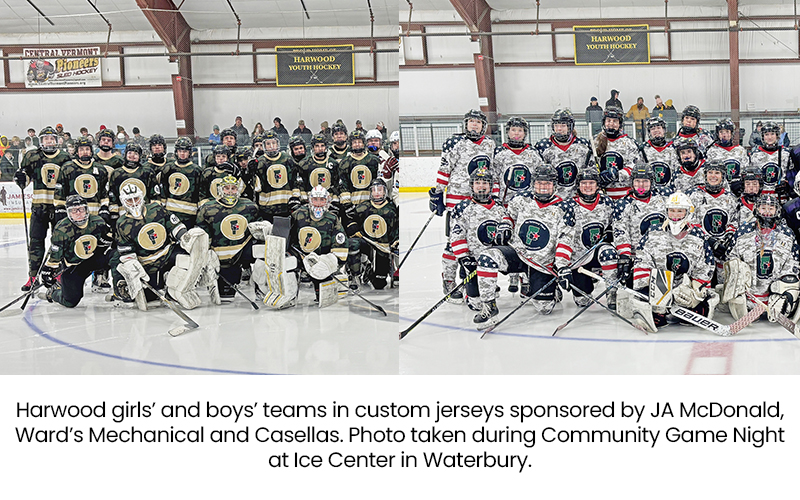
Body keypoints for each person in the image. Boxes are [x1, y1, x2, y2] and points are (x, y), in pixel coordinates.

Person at [473, 164, 577, 325]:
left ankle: (551, 289)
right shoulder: (520, 199)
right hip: (517, 253)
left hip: (541, 263)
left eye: (547, 183)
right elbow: (509, 217)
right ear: (533, 183)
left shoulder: (564, 208)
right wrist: (505, 225)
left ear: (555, 185)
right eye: (539, 183)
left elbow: (565, 240)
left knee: (544, 308)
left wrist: (562, 266)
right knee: (487, 257)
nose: (543, 187)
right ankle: (489, 306)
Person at [110, 184, 214, 310]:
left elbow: (175, 225)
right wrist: (133, 266)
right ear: (123, 201)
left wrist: (185, 238)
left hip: (167, 254)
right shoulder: (122, 224)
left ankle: (175, 291)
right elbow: (126, 252)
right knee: (151, 297)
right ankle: (158, 283)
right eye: (129, 200)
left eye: (136, 199)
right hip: (147, 263)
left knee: (188, 259)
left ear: (142, 197)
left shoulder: (156, 209)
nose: (133, 203)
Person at [430, 109, 496, 301]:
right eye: (471, 122)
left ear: (483, 126)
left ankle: (472, 280)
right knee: (454, 243)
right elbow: (444, 169)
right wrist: (437, 193)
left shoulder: (489, 144)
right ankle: (449, 281)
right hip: (457, 200)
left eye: (478, 122)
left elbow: (491, 171)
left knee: (478, 242)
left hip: (481, 200)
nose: (474, 125)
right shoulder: (454, 142)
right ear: (465, 124)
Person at [250, 185, 349, 308]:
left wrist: (328, 262)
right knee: (286, 263)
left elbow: (341, 247)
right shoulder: (299, 214)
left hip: (319, 260)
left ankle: (335, 280)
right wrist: (270, 230)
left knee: (323, 292)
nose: (318, 204)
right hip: (299, 255)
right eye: (315, 199)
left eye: (322, 200)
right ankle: (288, 295)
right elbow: (284, 232)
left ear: (327, 201)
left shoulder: (332, 219)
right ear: (310, 200)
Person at [722, 194, 800, 322]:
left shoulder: (787, 234)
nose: (767, 212)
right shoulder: (743, 232)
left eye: (771, 208)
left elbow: (793, 265)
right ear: (756, 209)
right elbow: (731, 259)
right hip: (747, 299)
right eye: (763, 208)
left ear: (777, 211)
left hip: (775, 299)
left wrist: (785, 291)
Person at [14, 127, 72, 290]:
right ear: (40, 141)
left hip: (59, 207)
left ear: (56, 140)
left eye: (51, 138)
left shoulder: (65, 157)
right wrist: (21, 177)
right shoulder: (32, 156)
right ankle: (33, 277)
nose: (48, 141)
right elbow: (24, 177)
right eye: (45, 139)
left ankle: (58, 274)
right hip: (39, 207)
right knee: (36, 242)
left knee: (60, 242)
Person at [446, 168, 511, 310]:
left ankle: (492, 284)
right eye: (478, 183)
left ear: (491, 186)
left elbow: (507, 222)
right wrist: (464, 258)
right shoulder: (463, 207)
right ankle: (467, 286)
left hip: (492, 258)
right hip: (472, 259)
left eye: (485, 183)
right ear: (472, 185)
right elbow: (457, 234)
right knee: (476, 305)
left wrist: (506, 227)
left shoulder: (498, 207)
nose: (481, 186)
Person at [196, 172, 261, 300]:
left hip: (240, 254)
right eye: (227, 188)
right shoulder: (208, 208)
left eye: (233, 188)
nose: (230, 192)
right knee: (225, 295)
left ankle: (261, 285)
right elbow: (202, 232)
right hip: (218, 257)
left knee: (263, 254)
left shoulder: (249, 206)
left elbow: (258, 229)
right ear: (220, 189)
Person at [39, 195, 114, 307]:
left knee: (117, 256)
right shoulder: (62, 229)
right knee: (70, 301)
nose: (78, 213)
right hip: (75, 266)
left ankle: (122, 291)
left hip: (94, 259)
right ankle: (53, 293)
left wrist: (107, 240)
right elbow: (55, 255)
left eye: (81, 209)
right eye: (74, 211)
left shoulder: (98, 222)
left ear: (86, 210)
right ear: (68, 212)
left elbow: (109, 239)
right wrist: (48, 270)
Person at [565, 168, 619, 308]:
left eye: (591, 182)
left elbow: (618, 226)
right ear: (578, 185)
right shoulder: (569, 206)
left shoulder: (607, 203)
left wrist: (611, 231)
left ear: (597, 185)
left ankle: (611, 293)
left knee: (609, 253)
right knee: (582, 302)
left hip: (598, 252)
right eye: (584, 183)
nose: (587, 186)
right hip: (578, 258)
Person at [612, 165, 667, 289]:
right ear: (632, 183)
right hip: (637, 257)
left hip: (662, 253)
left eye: (645, 181)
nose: (641, 185)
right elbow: (620, 232)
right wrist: (625, 256)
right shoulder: (623, 204)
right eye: (637, 181)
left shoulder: (664, 197)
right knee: (640, 292)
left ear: (652, 182)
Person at [346, 179, 399, 290]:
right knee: (352, 243)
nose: (377, 193)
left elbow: (395, 230)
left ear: (385, 192)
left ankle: (369, 270)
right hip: (366, 243)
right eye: (374, 190)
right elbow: (349, 219)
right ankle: (355, 275)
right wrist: (353, 226)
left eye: (379, 190)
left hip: (382, 248)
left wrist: (396, 241)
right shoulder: (363, 207)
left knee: (379, 284)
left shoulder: (391, 210)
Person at [535, 108, 594, 201]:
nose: (559, 129)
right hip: (553, 200)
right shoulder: (543, 146)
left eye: (563, 125)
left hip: (578, 200)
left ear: (570, 126)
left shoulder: (583, 146)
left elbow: (591, 171)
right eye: (556, 125)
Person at [593, 106, 643, 200]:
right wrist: (598, 178)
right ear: (604, 122)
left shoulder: (629, 143)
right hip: (602, 196)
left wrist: (618, 174)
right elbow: (590, 167)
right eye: (608, 120)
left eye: (615, 121)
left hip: (625, 195)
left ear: (620, 124)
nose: (611, 124)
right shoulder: (595, 142)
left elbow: (635, 167)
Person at [108, 143, 160, 230]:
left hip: (144, 215)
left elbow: (154, 196)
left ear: (140, 156)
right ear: (125, 155)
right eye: (130, 153)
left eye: (136, 154)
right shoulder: (117, 173)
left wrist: (153, 213)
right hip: (124, 216)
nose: (132, 156)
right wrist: (114, 215)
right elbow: (113, 196)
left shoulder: (147, 172)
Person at [254, 130, 301, 222]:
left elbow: (295, 181)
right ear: (263, 146)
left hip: (286, 206)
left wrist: (295, 197)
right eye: (268, 144)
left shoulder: (287, 159)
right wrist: (251, 172)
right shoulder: (260, 162)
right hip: (267, 208)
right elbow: (257, 188)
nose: (271, 146)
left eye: (274, 143)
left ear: (278, 143)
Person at [161, 137, 203, 227]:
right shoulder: (168, 168)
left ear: (189, 152)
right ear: (176, 152)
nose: (182, 154)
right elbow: (164, 189)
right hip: (171, 212)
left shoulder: (196, 170)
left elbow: (200, 191)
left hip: (190, 214)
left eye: (185, 151)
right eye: (180, 151)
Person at [706, 118, 749, 194]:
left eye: (727, 132)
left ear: (731, 133)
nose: (724, 135)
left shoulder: (740, 151)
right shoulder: (711, 151)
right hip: (719, 191)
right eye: (721, 132)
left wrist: (740, 184)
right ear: (717, 134)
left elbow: (745, 171)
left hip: (737, 190)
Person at [297, 134, 341, 209]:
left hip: (329, 203)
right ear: (313, 147)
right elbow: (301, 185)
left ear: (326, 147)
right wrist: (304, 200)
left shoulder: (334, 164)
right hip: (311, 202)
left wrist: (334, 200)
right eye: (317, 146)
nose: (320, 148)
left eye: (322, 145)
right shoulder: (304, 163)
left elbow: (336, 184)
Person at [749, 121, 791, 196]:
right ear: (762, 136)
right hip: (762, 199)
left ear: (777, 135)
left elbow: (791, 174)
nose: (769, 137)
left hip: (781, 197)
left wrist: (787, 185)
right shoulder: (755, 155)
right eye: (766, 134)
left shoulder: (786, 153)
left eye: (772, 134)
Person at [640, 116, 679, 194]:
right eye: (653, 129)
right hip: (650, 193)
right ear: (649, 132)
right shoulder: (642, 149)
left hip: (670, 191)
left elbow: (677, 171)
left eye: (658, 127)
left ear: (664, 130)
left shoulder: (673, 148)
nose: (656, 131)